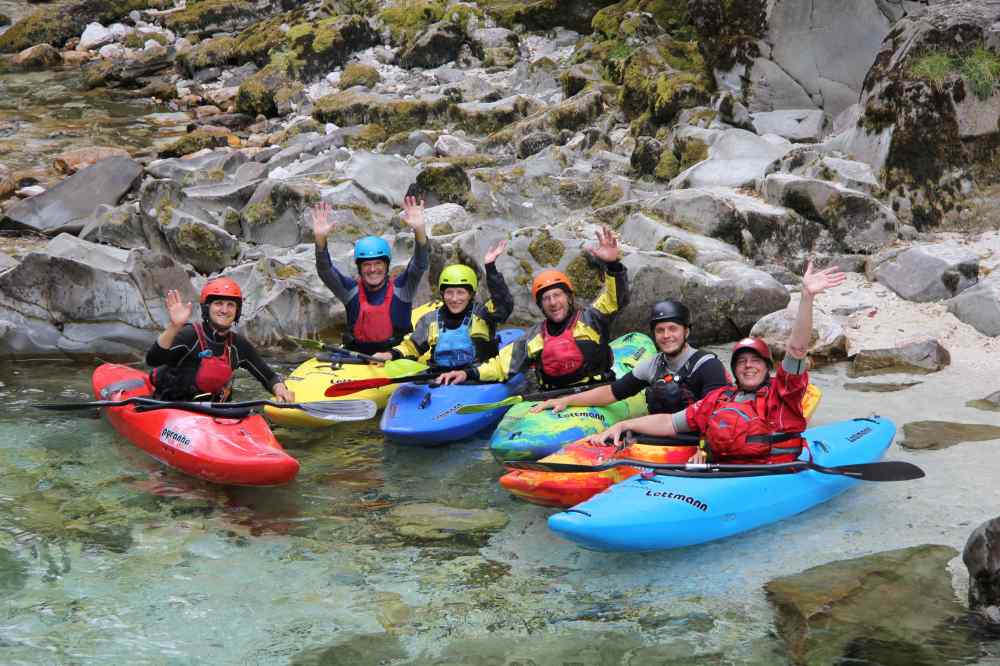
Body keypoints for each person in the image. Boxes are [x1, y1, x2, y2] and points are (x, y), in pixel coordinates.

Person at [588, 262, 846, 464]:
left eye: (755, 361)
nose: (748, 365)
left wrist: (807, 297)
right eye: (741, 362)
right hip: (727, 468)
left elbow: (797, 348)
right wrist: (623, 425)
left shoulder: (783, 394)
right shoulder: (719, 399)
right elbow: (669, 423)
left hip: (772, 468)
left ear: (767, 368)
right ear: (734, 370)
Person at [436, 226, 627, 388]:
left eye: (557, 295)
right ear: (541, 306)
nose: (553, 302)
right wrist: (467, 374)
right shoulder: (534, 336)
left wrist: (613, 265)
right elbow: (502, 365)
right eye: (546, 299)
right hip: (554, 399)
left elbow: (615, 299)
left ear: (569, 297)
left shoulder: (592, 318)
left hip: (596, 392)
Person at [529, 299, 729, 416]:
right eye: (660, 330)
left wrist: (705, 448)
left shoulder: (708, 366)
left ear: (686, 332)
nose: (666, 336)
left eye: (673, 329)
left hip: (695, 444)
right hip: (662, 437)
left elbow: (719, 416)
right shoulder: (653, 365)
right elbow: (612, 392)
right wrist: (567, 401)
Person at [311, 195, 428, 355]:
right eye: (366, 264)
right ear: (359, 268)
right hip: (358, 358)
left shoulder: (403, 288)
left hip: (395, 358)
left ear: (386, 266)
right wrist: (320, 239)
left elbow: (419, 264)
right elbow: (325, 271)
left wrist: (419, 230)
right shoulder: (349, 291)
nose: (373, 269)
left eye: (378, 263)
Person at [147, 278, 294, 403]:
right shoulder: (189, 335)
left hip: (215, 411)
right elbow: (153, 360)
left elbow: (269, 376)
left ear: (237, 311)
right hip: (173, 406)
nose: (224, 310)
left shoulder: (238, 345)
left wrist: (280, 389)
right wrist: (174, 326)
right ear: (207, 308)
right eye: (218, 303)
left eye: (230, 305)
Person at [371, 240, 513, 368]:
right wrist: (389, 355)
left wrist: (490, 268)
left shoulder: (483, 314)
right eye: (449, 292)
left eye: (460, 292)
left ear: (471, 294)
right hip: (441, 379)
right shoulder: (430, 320)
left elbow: (504, 304)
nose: (454, 298)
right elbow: (412, 347)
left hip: (478, 378)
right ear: (442, 294)